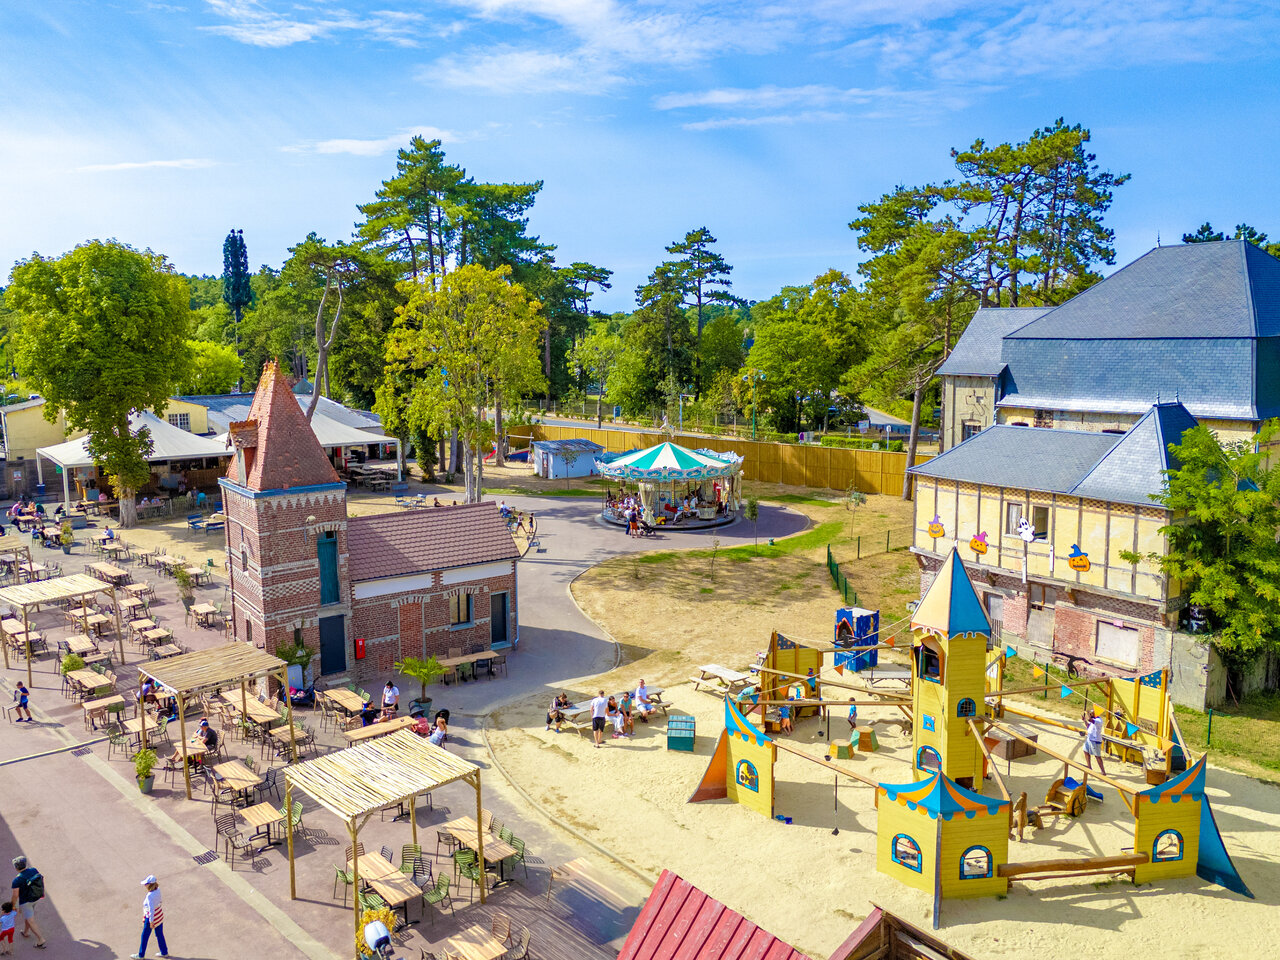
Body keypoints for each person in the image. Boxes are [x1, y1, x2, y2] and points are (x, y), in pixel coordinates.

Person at [9, 857, 44, 949]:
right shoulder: (33, 870)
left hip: (26, 902)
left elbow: (15, 895)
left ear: (16, 867)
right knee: (28, 917)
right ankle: (26, 932)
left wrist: (12, 906)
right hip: (36, 897)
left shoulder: (17, 880)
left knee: (31, 921)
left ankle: (41, 939)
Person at [131, 874, 166, 959]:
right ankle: (164, 952)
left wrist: (151, 921)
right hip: (159, 916)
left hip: (152, 918)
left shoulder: (150, 896)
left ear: (150, 885)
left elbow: (151, 909)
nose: (145, 885)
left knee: (144, 936)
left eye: (146, 884)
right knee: (159, 934)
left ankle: (141, 955)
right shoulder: (158, 890)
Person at [1082, 708, 1107, 775]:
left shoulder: (1098, 720)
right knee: (1085, 751)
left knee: (1097, 756)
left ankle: (1103, 771)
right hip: (1089, 739)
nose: (1090, 714)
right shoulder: (1093, 720)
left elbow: (1090, 720)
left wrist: (1086, 713)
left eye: (1091, 713)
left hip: (1095, 741)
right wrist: (1084, 720)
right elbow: (1088, 726)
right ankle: (1089, 767)